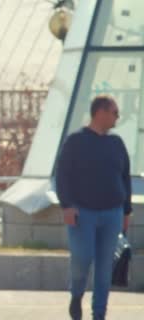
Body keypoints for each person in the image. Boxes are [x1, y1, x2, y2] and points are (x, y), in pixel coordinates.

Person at [56, 95, 132, 320]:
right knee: (82, 259)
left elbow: (125, 178)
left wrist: (127, 211)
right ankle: (76, 295)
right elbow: (62, 176)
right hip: (83, 213)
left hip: (112, 213)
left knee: (104, 267)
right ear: (100, 112)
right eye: (114, 112)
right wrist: (67, 206)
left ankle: (99, 313)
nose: (117, 117)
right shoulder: (75, 141)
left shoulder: (116, 143)